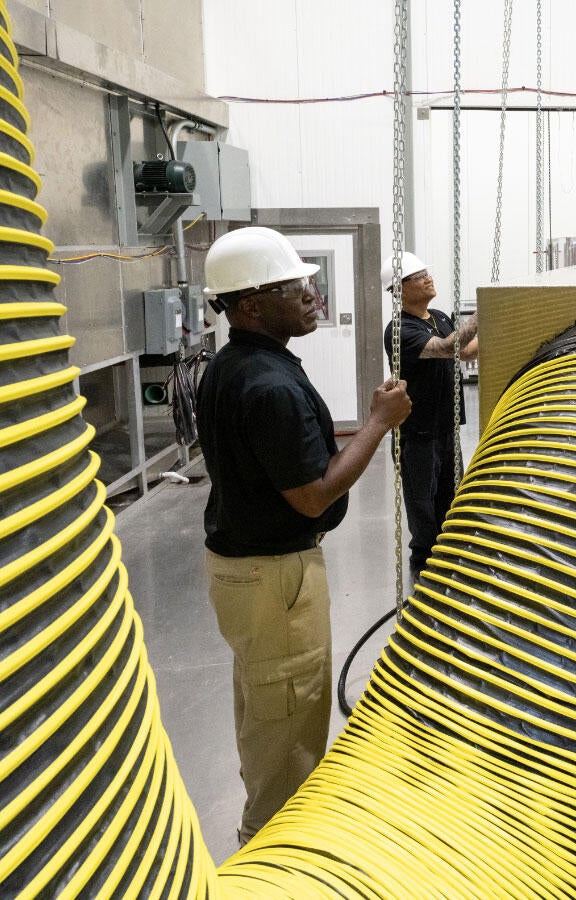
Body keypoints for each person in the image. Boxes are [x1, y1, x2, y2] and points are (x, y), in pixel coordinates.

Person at [197, 227, 411, 844]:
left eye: (310, 282)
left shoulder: (238, 366)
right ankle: (274, 852)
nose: (312, 294)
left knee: (267, 707)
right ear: (252, 306)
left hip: (249, 572)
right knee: (288, 724)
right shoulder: (268, 386)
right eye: (296, 287)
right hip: (276, 577)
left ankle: (267, 829)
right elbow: (313, 492)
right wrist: (377, 424)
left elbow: (293, 463)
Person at [381, 252, 478, 584]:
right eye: (417, 276)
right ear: (399, 290)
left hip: (447, 427)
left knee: (451, 498)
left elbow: (465, 351)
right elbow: (444, 347)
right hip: (419, 432)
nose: (427, 277)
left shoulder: (437, 315)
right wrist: (483, 315)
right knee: (423, 505)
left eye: (426, 271)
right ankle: (424, 565)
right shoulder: (398, 329)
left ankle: (450, 555)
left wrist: (503, 326)